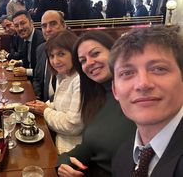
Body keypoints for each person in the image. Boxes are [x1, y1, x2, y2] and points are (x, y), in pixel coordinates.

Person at [57, 31, 136, 177]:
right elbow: (92, 145)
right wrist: (64, 161)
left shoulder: (138, 98)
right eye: (83, 61)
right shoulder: (97, 97)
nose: (89, 63)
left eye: (95, 54)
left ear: (114, 51)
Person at [110, 26, 183, 177]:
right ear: (115, 90)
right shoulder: (122, 155)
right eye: (127, 73)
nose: (143, 84)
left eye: (159, 69)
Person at [26, 29, 82, 154]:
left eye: (61, 54)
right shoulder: (63, 75)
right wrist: (41, 106)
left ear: (74, 53)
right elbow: (60, 105)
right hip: (56, 138)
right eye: (51, 56)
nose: (55, 61)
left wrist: (45, 110)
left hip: (70, 150)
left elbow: (72, 126)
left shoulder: (79, 80)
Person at [33, 10, 66, 101]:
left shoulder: (73, 51)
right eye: (44, 26)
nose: (48, 29)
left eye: (53, 24)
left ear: (63, 26)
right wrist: (37, 98)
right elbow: (37, 78)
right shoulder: (40, 49)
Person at [10, 10, 45, 78]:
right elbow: (29, 59)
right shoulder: (25, 38)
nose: (20, 28)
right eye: (16, 26)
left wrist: (26, 71)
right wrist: (20, 62)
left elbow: (44, 71)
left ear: (31, 23)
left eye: (23, 23)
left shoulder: (41, 41)